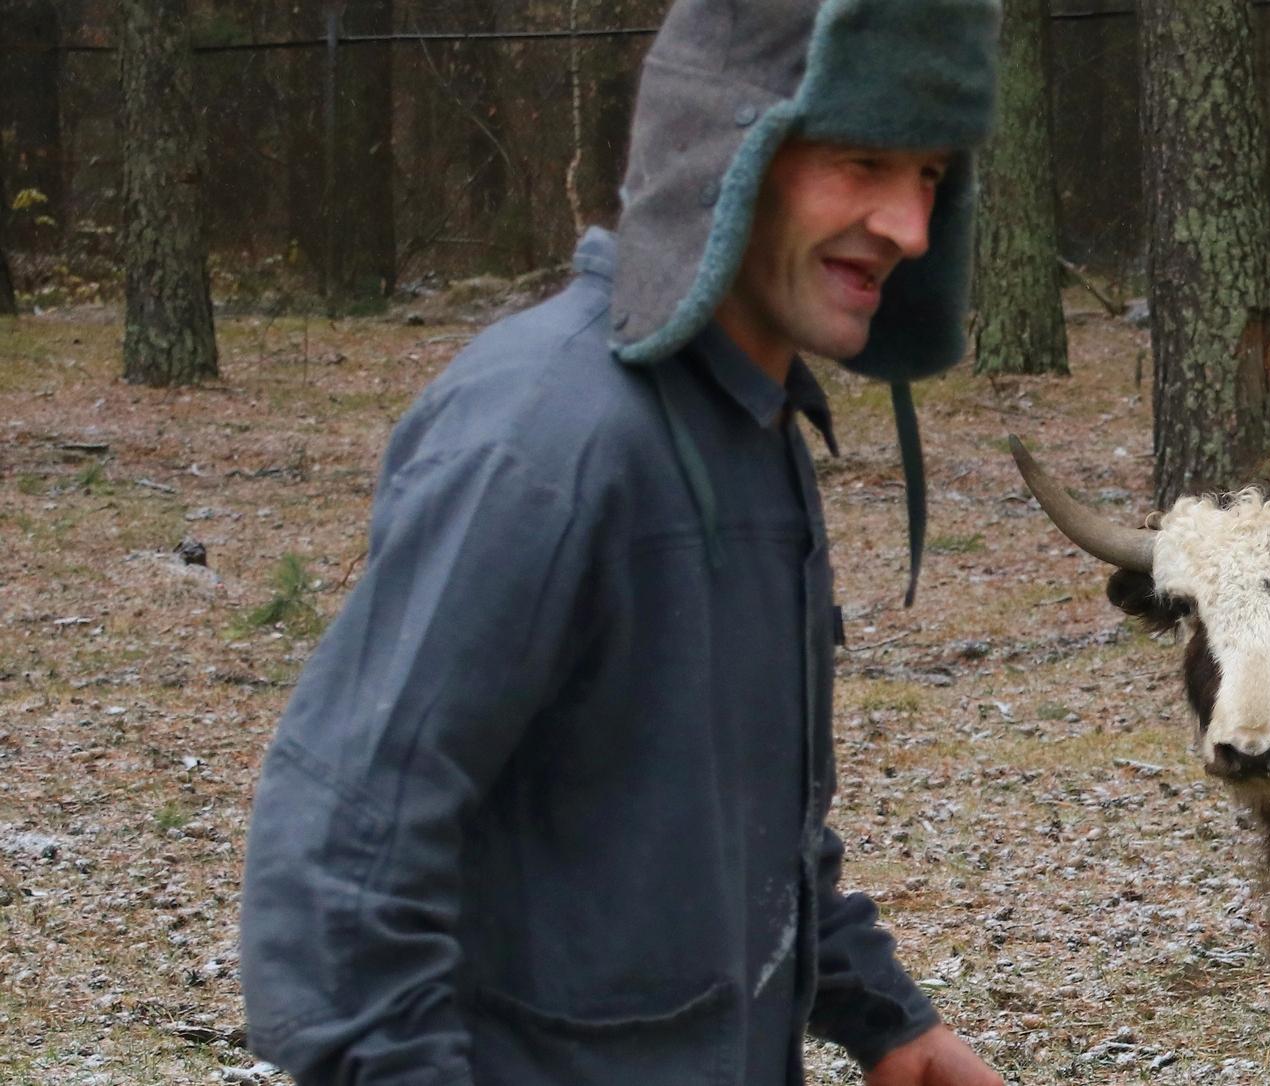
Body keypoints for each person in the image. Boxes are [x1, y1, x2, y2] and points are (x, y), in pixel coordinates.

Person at [238, 1, 1008, 1082]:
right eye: (863, 160)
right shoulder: (547, 440)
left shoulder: (750, 415)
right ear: (723, 155)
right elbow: (339, 856)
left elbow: (714, 821)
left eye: (929, 173)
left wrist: (883, 1013)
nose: (909, 227)